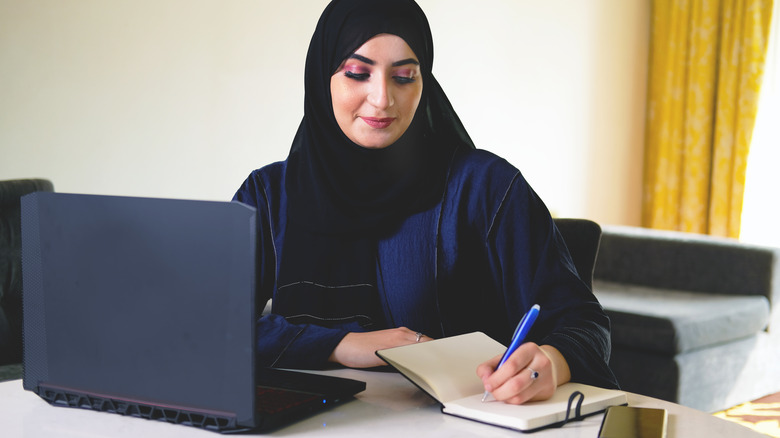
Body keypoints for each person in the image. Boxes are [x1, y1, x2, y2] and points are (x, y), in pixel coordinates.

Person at [233, 0, 619, 405]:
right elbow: (206, 323)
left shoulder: (484, 187)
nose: (382, 99)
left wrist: (550, 364)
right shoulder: (269, 194)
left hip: (461, 426)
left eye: (404, 77)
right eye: (357, 73)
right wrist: (343, 344)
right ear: (322, 76)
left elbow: (584, 325)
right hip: (305, 425)